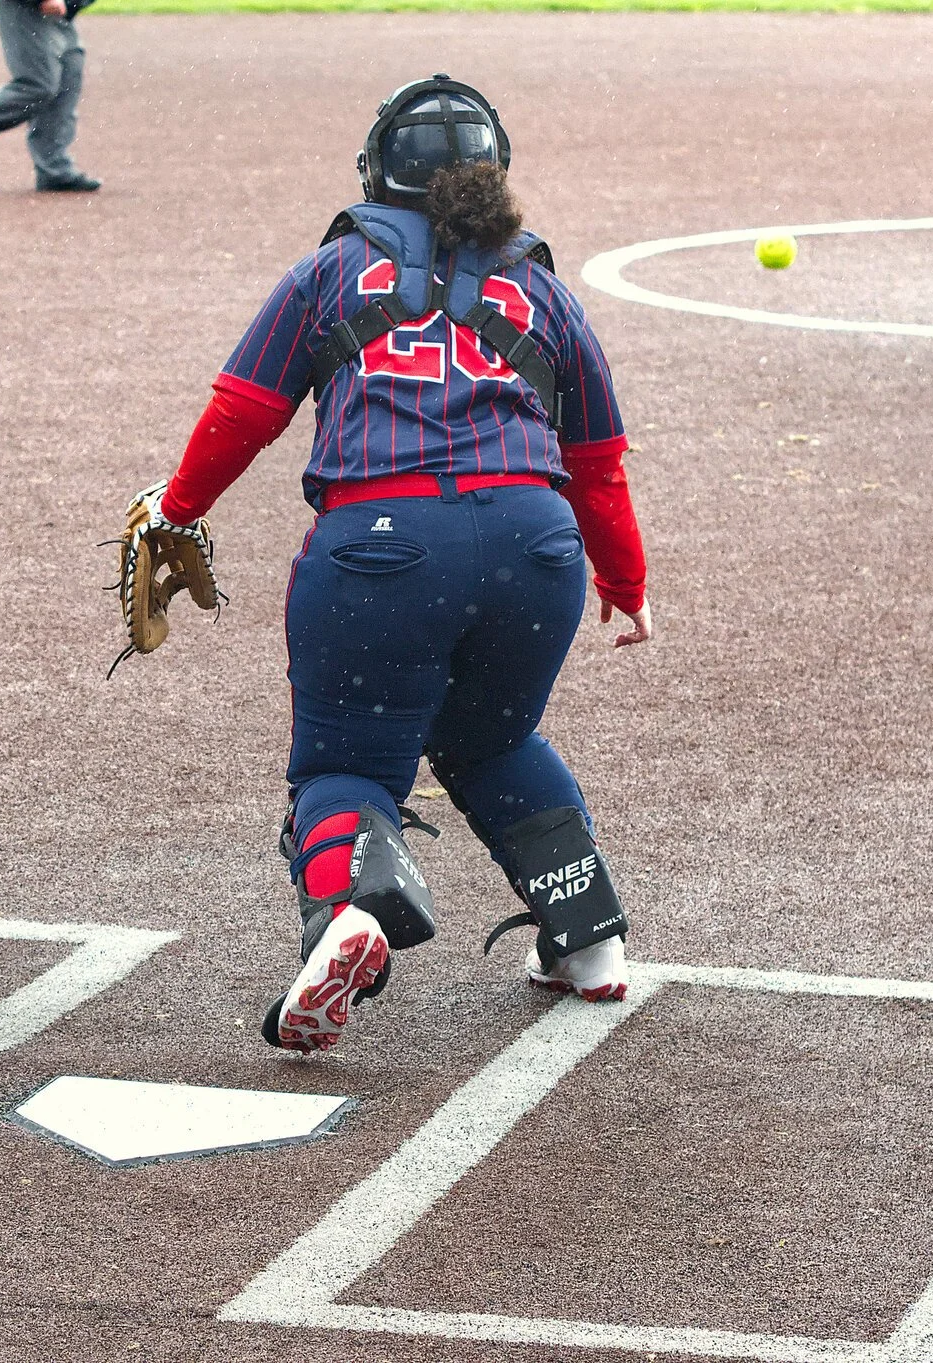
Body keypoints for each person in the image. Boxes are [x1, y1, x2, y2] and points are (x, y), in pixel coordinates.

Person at [126, 76, 653, 1054]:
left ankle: (347, 916)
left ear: (376, 174)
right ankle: (589, 941)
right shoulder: (540, 288)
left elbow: (245, 409)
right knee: (492, 738)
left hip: (380, 547)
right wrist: (624, 586)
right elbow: (596, 464)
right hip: (538, 546)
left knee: (344, 764)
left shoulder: (327, 271)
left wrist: (177, 506)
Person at [0, 0, 101, 193]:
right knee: (38, 84)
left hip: (60, 13)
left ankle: (54, 168)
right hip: (24, 7)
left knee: (68, 74)